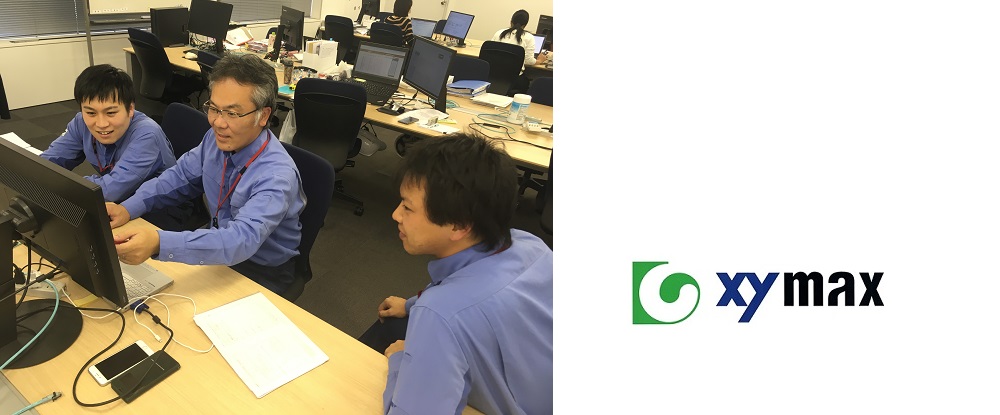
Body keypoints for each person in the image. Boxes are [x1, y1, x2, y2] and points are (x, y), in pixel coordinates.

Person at [359, 133, 553, 414]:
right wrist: (411, 305)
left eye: (408, 207)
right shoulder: (530, 245)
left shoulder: (439, 315)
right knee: (390, 323)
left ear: (459, 225)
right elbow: (468, 293)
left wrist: (400, 358)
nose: (396, 215)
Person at [108, 54, 306, 295]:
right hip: (218, 243)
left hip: (261, 268)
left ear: (263, 116)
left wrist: (160, 243)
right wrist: (128, 208)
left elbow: (239, 240)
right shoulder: (215, 139)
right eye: (214, 108)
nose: (218, 123)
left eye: (232, 113)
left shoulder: (276, 176)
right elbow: (179, 177)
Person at [40, 64, 193, 231]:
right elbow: (47, 162)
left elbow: (110, 190)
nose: (101, 124)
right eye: (91, 113)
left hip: (161, 209)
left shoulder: (147, 134)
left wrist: (58, 186)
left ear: (130, 109)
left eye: (111, 113)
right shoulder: (80, 122)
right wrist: (39, 176)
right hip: (118, 200)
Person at [490, 9, 548, 93]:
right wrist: (539, 61)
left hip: (493, 76)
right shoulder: (529, 37)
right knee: (528, 82)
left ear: (511, 22)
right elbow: (528, 61)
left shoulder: (499, 33)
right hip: (514, 79)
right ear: (525, 25)